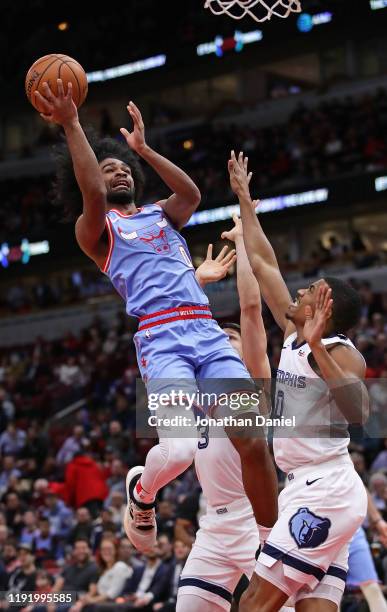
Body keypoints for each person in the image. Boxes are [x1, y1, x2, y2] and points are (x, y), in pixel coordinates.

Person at [35, 81, 278, 553]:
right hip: (161, 340)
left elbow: (190, 193)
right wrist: (71, 124)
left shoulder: (161, 215)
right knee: (182, 451)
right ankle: (141, 492)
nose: (119, 173)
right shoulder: (97, 230)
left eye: (125, 169)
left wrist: (143, 149)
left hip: (206, 331)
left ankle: (271, 544)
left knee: (252, 435)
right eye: (110, 170)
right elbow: (89, 189)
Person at [228, 151, 368, 612]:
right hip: (306, 489)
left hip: (325, 490)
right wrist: (246, 201)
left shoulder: (344, 352)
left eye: (309, 290)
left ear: (322, 309)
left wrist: (320, 347)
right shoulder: (292, 334)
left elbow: (358, 411)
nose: (300, 291)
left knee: (254, 603)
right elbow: (265, 262)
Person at [177, 213, 289, 612]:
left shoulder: (252, 380)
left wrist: (242, 240)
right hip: (213, 525)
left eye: (232, 338)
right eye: (219, 337)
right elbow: (177, 323)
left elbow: (252, 307)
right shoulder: (198, 389)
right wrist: (198, 282)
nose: (224, 340)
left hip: (253, 517)